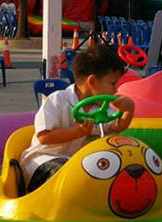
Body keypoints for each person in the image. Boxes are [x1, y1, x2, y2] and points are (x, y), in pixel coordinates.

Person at [20, 44, 135, 193]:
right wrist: (79, 132)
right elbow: (44, 136)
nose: (115, 91)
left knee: (104, 174)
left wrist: (129, 110)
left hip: (74, 166)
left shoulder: (98, 109)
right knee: (67, 173)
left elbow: (116, 126)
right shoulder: (58, 100)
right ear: (92, 81)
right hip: (41, 161)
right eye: (112, 84)